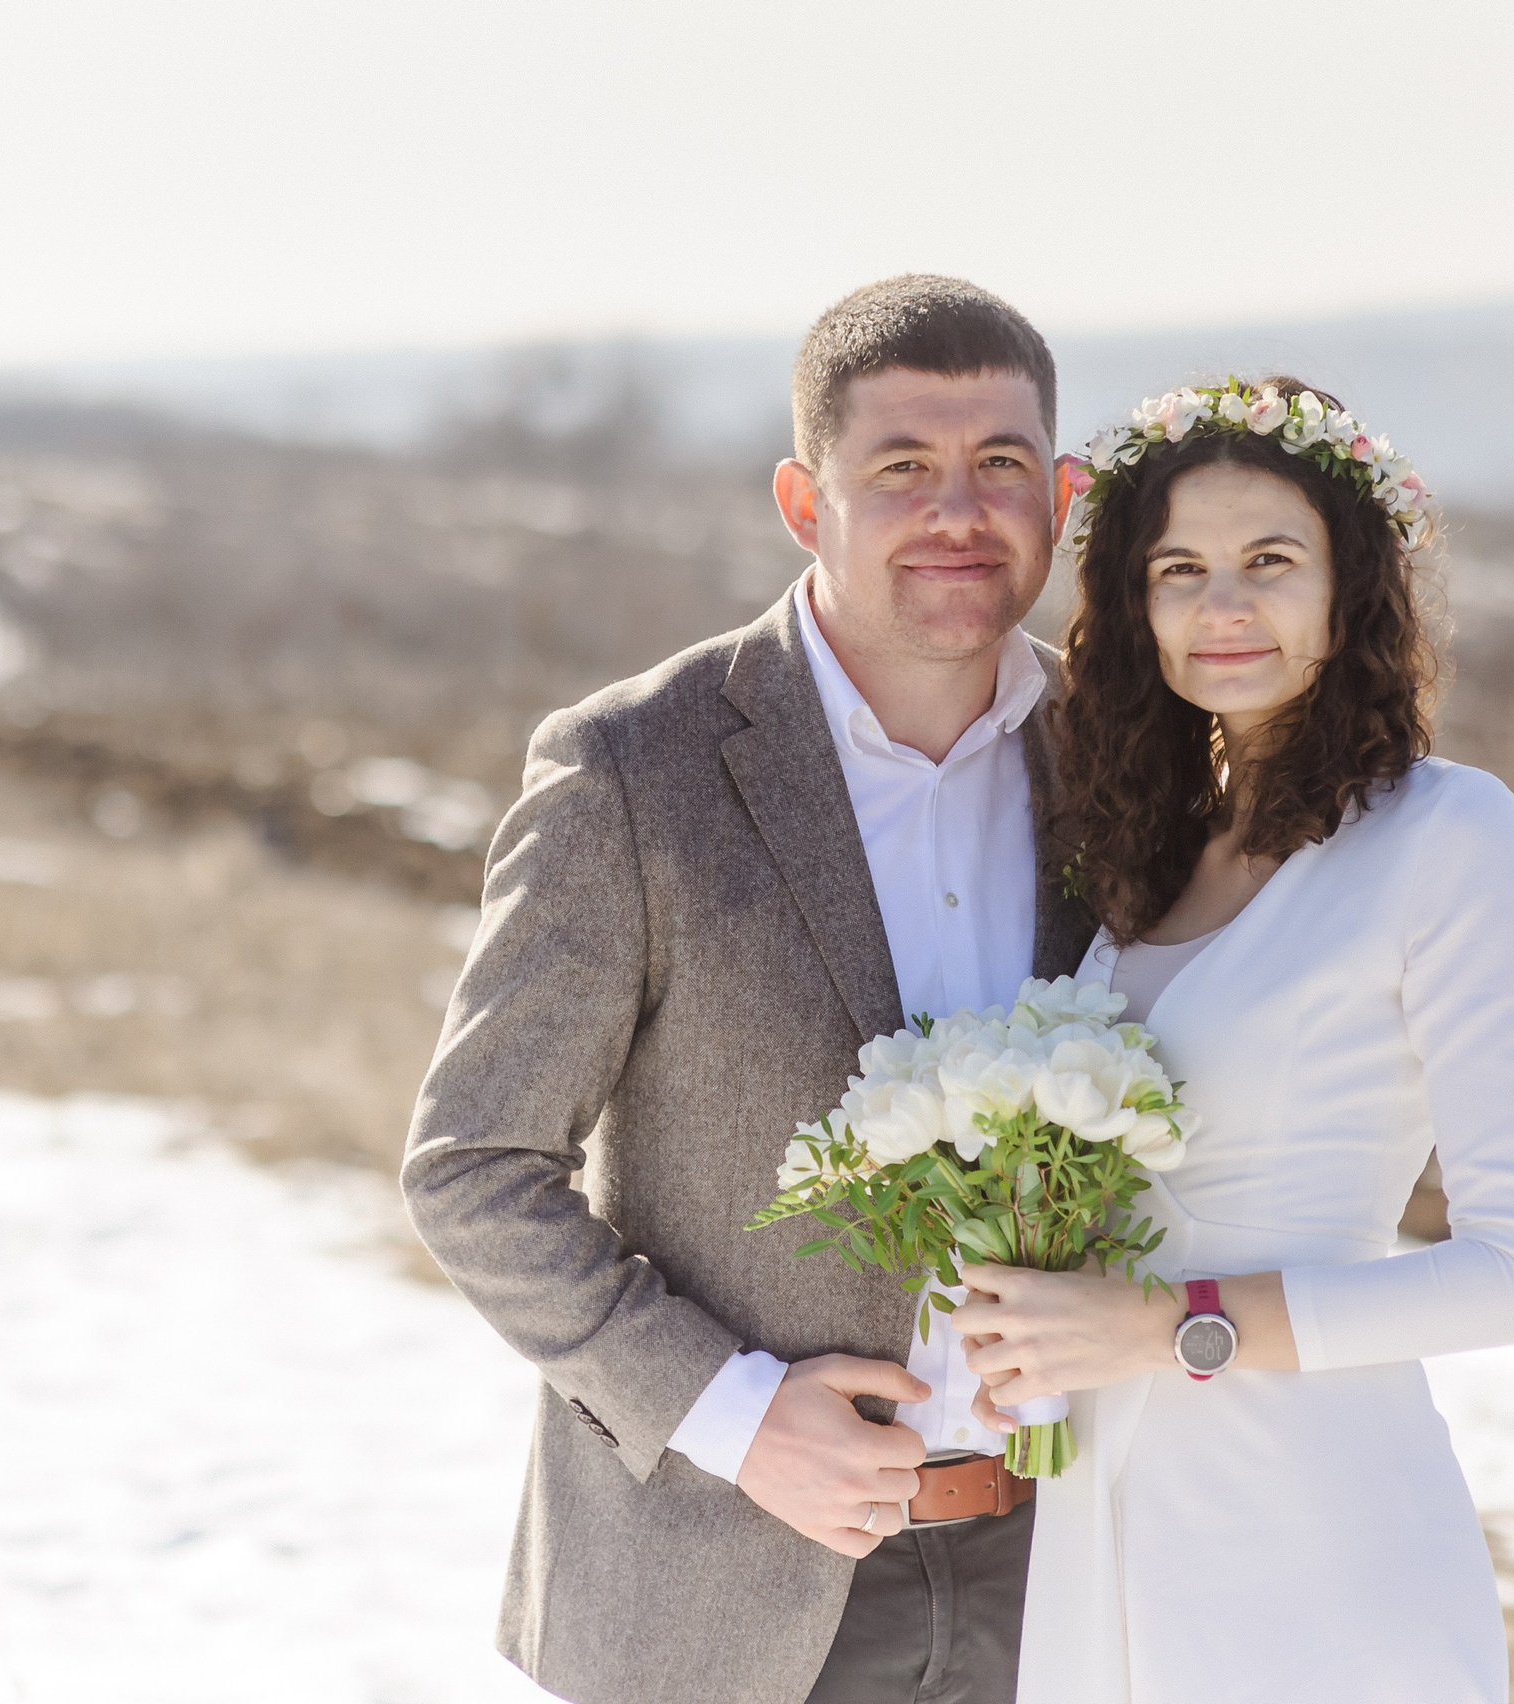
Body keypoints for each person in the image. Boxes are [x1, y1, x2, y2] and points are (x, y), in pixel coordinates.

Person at [402, 275, 1097, 1704]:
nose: (958, 511)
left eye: (1000, 464)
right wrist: (733, 1415)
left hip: (1073, 1578)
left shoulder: (1129, 763)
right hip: (720, 1590)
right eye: (899, 468)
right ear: (802, 501)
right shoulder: (633, 770)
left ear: (1062, 495)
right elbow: (474, 1168)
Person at [949, 379, 1514, 1702]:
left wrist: (1164, 1328)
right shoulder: (1157, 846)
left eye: (1271, 561)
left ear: (1351, 591)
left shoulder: (1444, 836)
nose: (1221, 606)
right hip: (1104, 1498)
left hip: (1311, 1526)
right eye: (1179, 570)